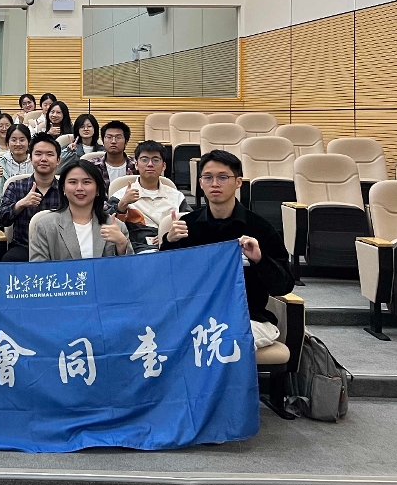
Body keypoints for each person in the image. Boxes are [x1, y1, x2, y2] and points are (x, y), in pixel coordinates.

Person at [161, 150, 294, 348]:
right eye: (208, 177)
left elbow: (283, 286)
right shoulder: (185, 226)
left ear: (238, 182)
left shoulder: (260, 228)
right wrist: (170, 241)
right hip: (194, 315)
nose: (215, 183)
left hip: (248, 317)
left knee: (222, 344)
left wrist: (260, 259)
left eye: (223, 177)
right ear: (200, 183)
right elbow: (164, 280)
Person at [30, 160, 133, 261]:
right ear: (63, 188)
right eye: (73, 182)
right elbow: (38, 268)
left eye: (86, 182)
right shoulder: (45, 226)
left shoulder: (116, 226)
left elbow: (129, 269)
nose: (79, 188)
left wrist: (122, 245)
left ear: (97, 189)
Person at [107, 139, 189, 253]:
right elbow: (106, 225)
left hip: (171, 249)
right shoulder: (121, 195)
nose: (150, 164)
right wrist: (122, 204)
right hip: (137, 252)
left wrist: (168, 235)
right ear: (136, 164)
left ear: (164, 166)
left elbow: (191, 224)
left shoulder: (177, 196)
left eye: (155, 160)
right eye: (144, 160)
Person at [0, 133, 64, 262]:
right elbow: (2, 219)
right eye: (38, 154)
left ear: (58, 160)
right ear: (31, 158)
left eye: (49, 154)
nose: (43, 159)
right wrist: (21, 204)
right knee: (10, 259)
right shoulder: (16, 186)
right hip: (24, 247)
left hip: (59, 248)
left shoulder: (66, 189)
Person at [0, 124, 33, 225]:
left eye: (22, 140)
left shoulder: (36, 162)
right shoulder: (1, 163)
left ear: (29, 142)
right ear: (8, 143)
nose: (18, 143)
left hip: (32, 212)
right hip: (4, 214)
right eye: (14, 140)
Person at [93, 120, 137, 187]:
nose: (113, 141)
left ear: (126, 142)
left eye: (118, 137)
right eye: (109, 137)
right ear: (103, 141)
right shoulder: (93, 166)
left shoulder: (137, 166)